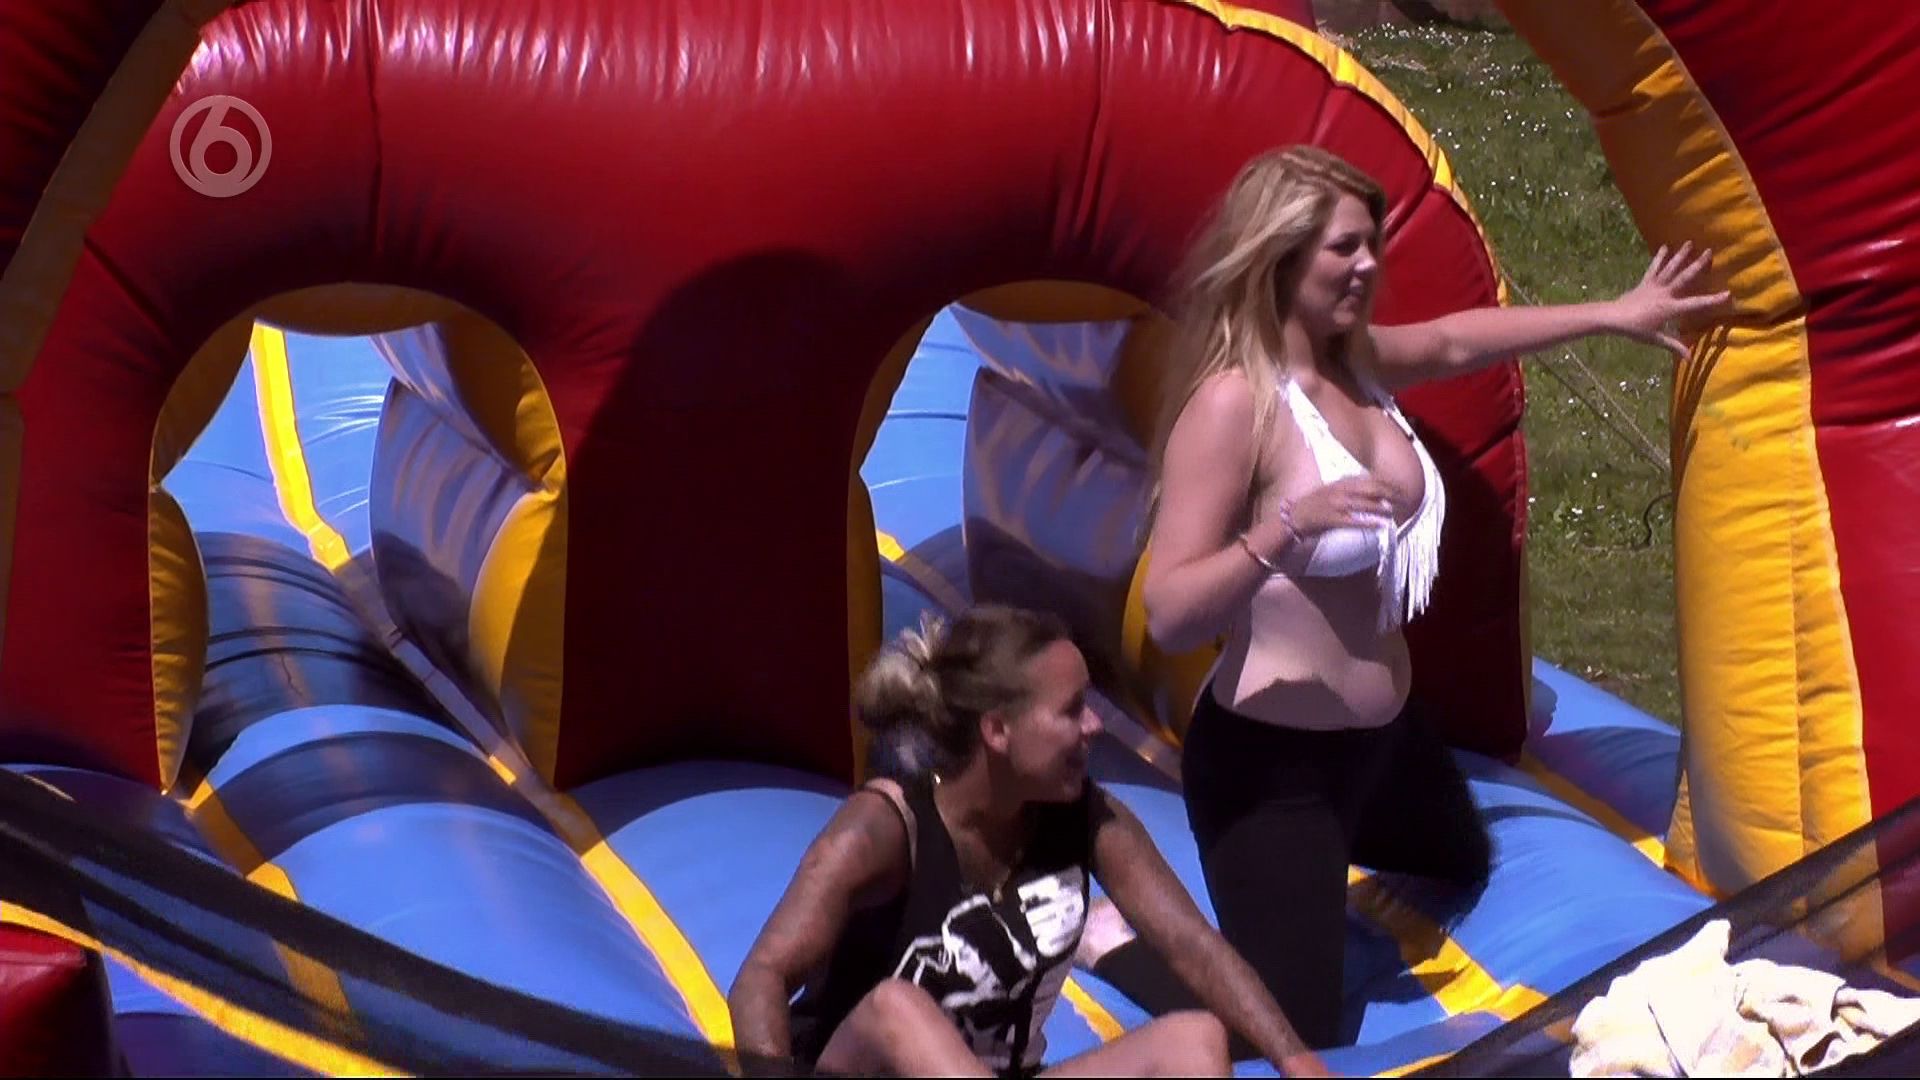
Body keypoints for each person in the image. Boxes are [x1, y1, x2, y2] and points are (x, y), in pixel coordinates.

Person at [1117, 145, 1731, 1049]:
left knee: (1461, 857)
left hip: (1383, 745)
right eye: (1344, 247)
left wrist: (1615, 312)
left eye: (1373, 243)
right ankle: (1118, 943)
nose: (1368, 265)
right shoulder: (1235, 406)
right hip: (1271, 769)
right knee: (1289, 1027)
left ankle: (1331, 859)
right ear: (1280, 254)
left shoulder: (1357, 364)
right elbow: (1172, 611)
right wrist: (1284, 530)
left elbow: (1454, 340)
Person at [727, 604, 1333, 1078]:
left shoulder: (1082, 816)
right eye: (1072, 710)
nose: (1094, 725)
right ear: (998, 730)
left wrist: (1296, 1060)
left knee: (1193, 1039)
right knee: (898, 1009)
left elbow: (1191, 945)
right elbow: (762, 976)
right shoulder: (888, 826)